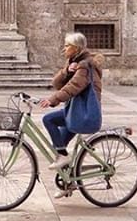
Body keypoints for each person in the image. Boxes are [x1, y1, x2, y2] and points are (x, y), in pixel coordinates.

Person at [39, 31, 104, 197]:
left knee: (49, 120)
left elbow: (73, 87)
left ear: (76, 48)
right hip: (73, 110)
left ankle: (64, 160)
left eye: (67, 45)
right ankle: (68, 182)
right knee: (59, 146)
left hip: (82, 113)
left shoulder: (85, 65)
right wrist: (66, 70)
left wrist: (53, 100)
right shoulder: (75, 63)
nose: (64, 48)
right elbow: (57, 83)